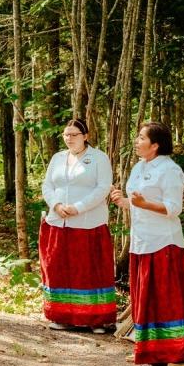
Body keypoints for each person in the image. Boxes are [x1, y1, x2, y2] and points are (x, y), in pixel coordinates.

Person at [110, 122, 184, 366]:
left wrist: (143, 204)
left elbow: (174, 208)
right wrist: (124, 201)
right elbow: (137, 202)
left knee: (167, 298)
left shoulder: (170, 170)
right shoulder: (139, 167)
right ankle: (149, 349)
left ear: (156, 145)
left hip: (164, 243)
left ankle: (180, 353)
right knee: (145, 297)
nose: (137, 141)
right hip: (141, 242)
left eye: (141, 138)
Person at [38, 118, 116, 332]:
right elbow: (48, 185)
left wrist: (78, 207)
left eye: (74, 134)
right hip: (59, 222)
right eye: (66, 135)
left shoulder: (99, 158)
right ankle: (62, 316)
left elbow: (102, 188)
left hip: (88, 223)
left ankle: (97, 319)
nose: (69, 138)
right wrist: (56, 205)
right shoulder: (58, 158)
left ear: (86, 136)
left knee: (90, 270)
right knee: (59, 268)